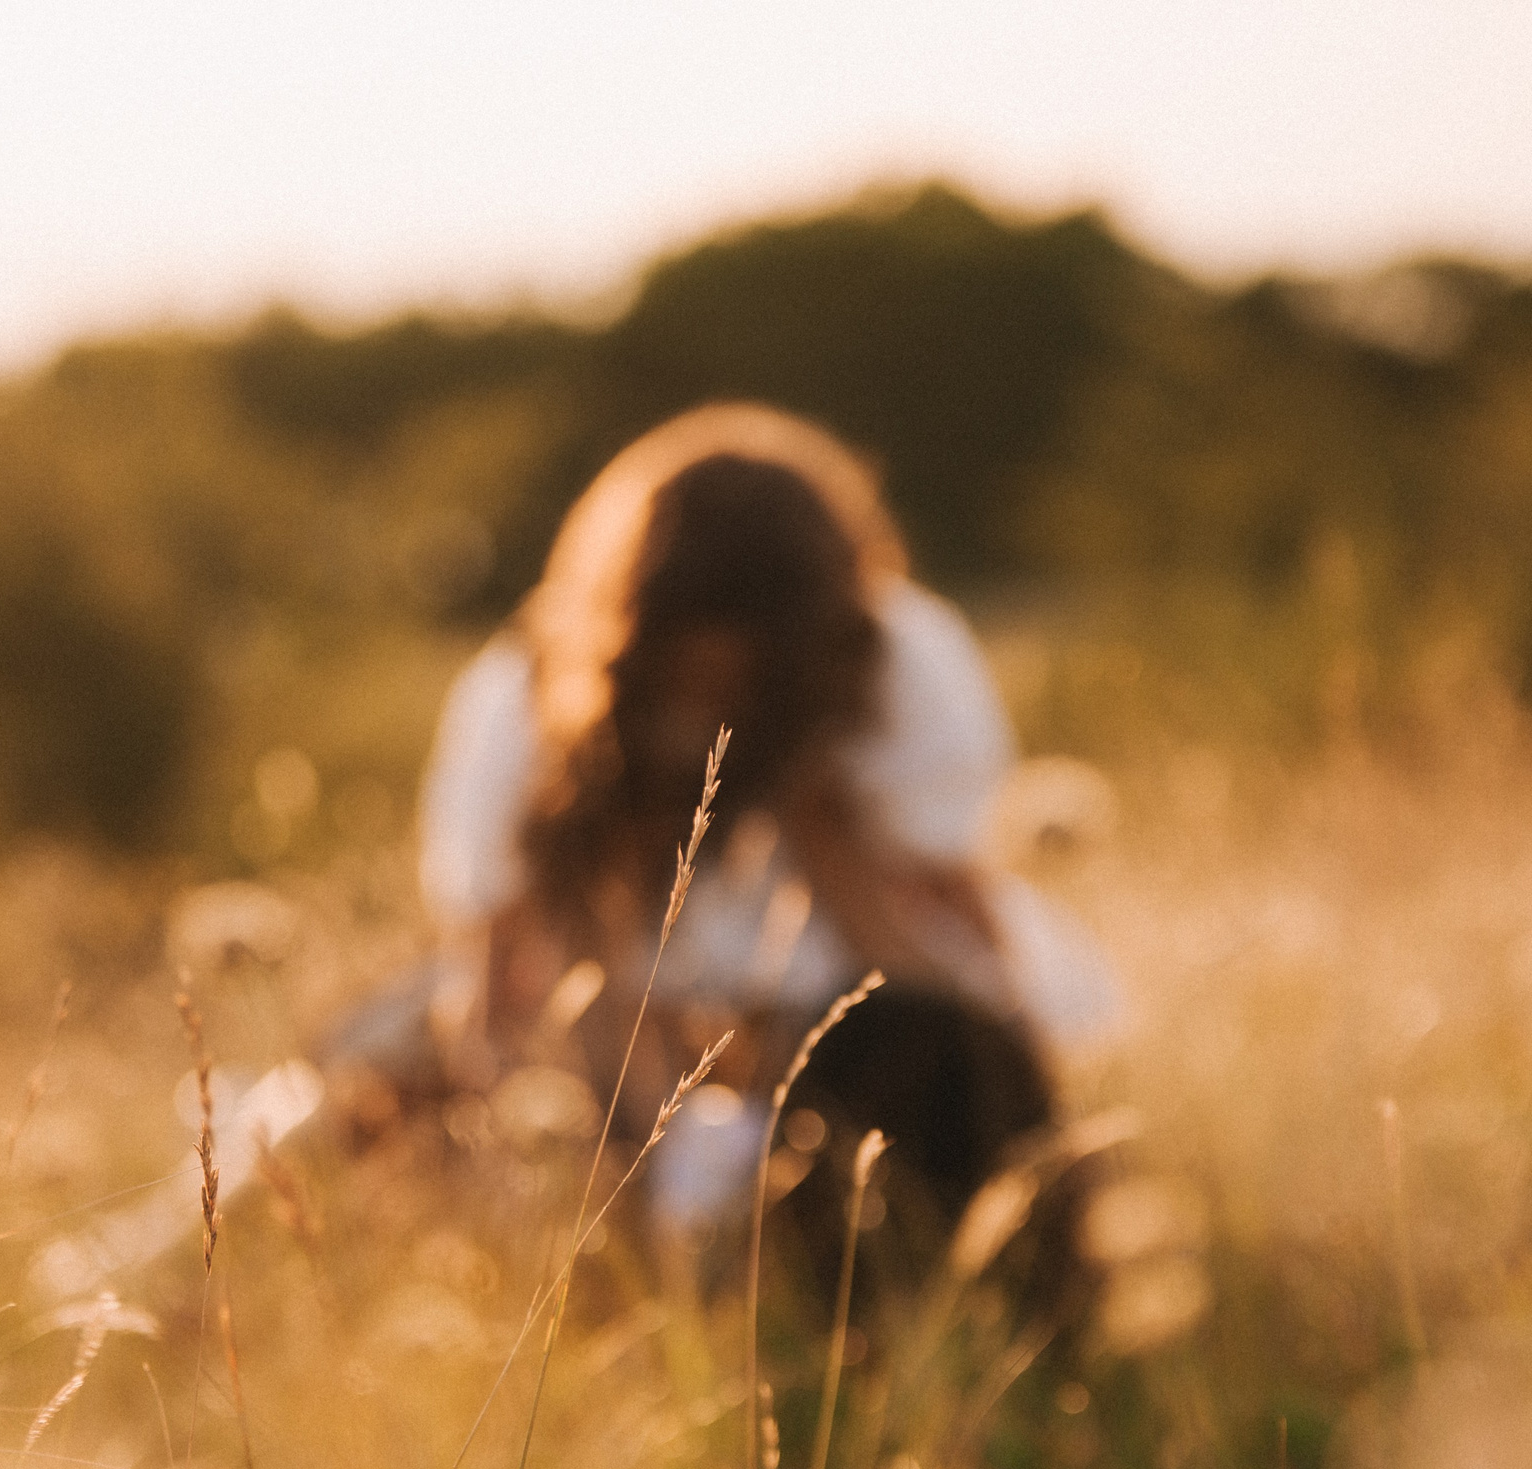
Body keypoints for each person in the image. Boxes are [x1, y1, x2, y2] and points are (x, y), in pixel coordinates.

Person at [413, 402, 1115, 1281]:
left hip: (844, 1042)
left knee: (927, 1077)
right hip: (614, 1053)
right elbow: (498, 963)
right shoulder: (525, 696)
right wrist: (620, 1142)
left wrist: (823, 821)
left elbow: (944, 927)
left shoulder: (898, 659)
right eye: (690, 659)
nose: (715, 689)